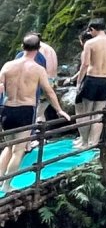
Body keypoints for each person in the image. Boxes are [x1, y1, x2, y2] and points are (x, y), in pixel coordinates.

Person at [0, 34, 69, 185]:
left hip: (7, 109)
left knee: (8, 147)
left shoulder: (7, 65)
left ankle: (0, 179)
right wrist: (59, 110)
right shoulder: (38, 69)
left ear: (22, 47)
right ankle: (6, 185)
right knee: (18, 151)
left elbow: (0, 88)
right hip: (25, 111)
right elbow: (49, 91)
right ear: (38, 49)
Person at [71, 17, 106, 150]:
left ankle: (85, 143)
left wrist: (79, 82)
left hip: (92, 79)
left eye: (90, 30)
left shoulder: (90, 43)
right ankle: (93, 143)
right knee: (98, 113)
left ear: (92, 29)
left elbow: (85, 64)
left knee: (87, 113)